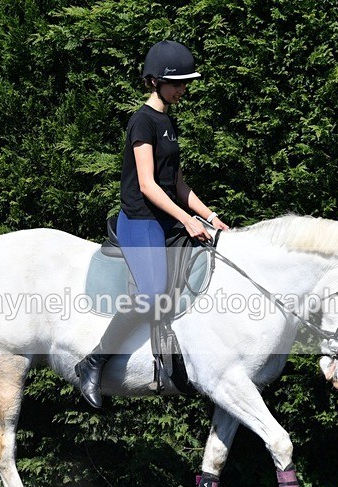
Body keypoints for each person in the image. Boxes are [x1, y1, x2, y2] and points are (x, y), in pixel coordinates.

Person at [75, 40, 229, 409]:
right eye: (177, 83)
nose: (182, 90)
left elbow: (177, 185)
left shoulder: (169, 123)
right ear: (156, 81)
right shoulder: (142, 122)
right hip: (140, 220)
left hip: (167, 218)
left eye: (185, 83)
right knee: (152, 292)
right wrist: (187, 219)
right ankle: (93, 362)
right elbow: (147, 185)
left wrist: (210, 217)